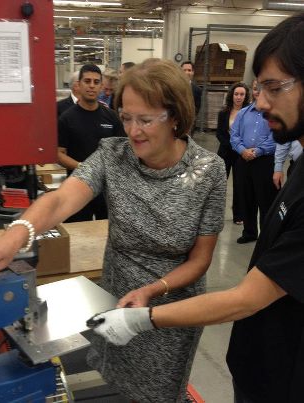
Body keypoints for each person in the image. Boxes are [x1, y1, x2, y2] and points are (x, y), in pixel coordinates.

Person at [0, 60, 226, 402]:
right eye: (126, 117)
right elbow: (61, 200)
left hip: (169, 307)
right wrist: (15, 236)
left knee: (159, 391)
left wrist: (152, 291)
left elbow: (200, 259)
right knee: (119, 378)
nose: (133, 131)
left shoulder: (209, 170)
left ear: (175, 117)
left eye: (145, 120)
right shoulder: (112, 155)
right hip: (117, 291)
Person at [89, 12, 304, 403]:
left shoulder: (206, 170)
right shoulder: (301, 165)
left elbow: (246, 296)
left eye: (274, 88)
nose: (261, 101)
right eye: (126, 118)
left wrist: (143, 316)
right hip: (261, 367)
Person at [57, 63, 125, 222]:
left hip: (106, 189)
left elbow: (122, 148)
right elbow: (59, 154)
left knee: (107, 231)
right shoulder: (66, 118)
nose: (91, 86)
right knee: (77, 234)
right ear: (78, 85)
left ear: (101, 86)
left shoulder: (111, 117)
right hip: (77, 187)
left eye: (96, 82)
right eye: (87, 81)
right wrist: (84, 168)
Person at [230, 79, 278, 243]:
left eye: (261, 89)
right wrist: (243, 150)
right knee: (246, 198)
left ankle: (266, 236)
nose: (258, 91)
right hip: (244, 161)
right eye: (255, 88)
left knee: (265, 200)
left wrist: (257, 151)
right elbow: (234, 135)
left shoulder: (273, 113)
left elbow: (275, 138)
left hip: (264, 162)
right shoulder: (243, 113)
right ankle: (249, 232)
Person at [216, 82, 250, 224]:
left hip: (240, 154)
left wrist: (239, 148)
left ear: (245, 96)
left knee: (239, 185)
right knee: (220, 184)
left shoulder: (249, 113)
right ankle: (216, 214)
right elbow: (219, 133)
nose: (238, 97)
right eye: (236, 94)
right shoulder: (224, 113)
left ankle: (238, 215)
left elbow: (248, 134)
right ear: (232, 95)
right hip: (225, 151)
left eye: (242, 94)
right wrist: (231, 145)